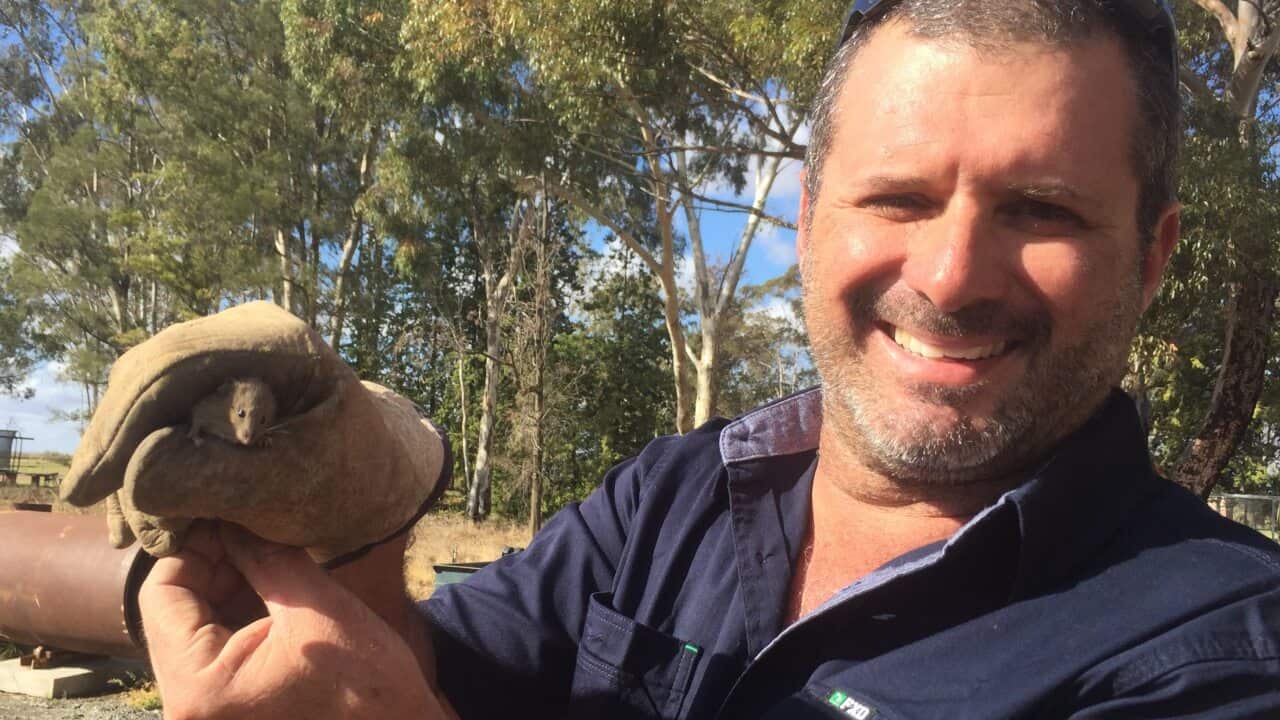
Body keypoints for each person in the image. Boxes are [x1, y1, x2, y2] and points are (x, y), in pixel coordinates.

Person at [136, 1, 1280, 718]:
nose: (948, 275)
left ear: (1147, 258)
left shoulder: (1210, 657)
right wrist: (347, 520)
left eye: (1039, 209)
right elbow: (440, 671)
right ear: (803, 219)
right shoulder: (671, 498)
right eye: (895, 198)